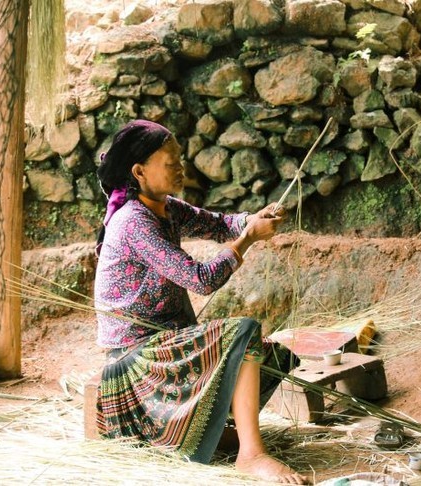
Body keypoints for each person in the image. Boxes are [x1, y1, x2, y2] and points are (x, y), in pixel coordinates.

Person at [93, 119, 307, 484]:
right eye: (171, 162)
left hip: (169, 345)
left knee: (273, 356)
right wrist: (249, 240)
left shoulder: (167, 208)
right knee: (244, 332)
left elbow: (221, 224)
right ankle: (251, 455)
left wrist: (253, 220)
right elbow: (200, 280)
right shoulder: (133, 222)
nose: (181, 168)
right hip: (138, 361)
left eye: (180, 159)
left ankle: (209, 433)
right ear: (140, 171)